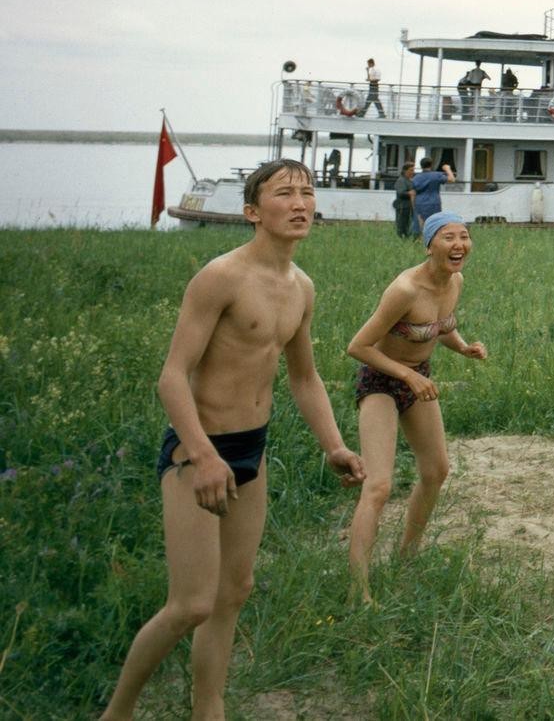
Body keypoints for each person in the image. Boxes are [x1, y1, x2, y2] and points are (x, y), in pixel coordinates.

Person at [99, 160, 365, 721]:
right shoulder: (220, 276)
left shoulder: (302, 288)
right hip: (197, 453)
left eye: (308, 192)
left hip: (252, 450)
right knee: (190, 603)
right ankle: (116, 713)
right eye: (284, 193)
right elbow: (171, 377)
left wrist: (334, 445)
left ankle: (208, 709)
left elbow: (303, 377)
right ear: (252, 213)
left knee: (233, 593)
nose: (300, 203)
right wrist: (203, 455)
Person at [345, 211, 489, 599]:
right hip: (381, 382)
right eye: (447, 237)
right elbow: (358, 346)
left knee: (437, 470)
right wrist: (407, 375)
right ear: (429, 245)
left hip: (418, 380)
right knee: (378, 486)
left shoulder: (455, 280)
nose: (458, 244)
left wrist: (462, 347)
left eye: (464, 236)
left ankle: (406, 556)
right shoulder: (405, 289)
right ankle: (358, 591)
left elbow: (440, 325)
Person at [410, 161, 453, 232]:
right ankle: (432, 238)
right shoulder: (436, 175)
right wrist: (447, 169)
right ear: (431, 165)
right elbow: (452, 179)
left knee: (420, 221)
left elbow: (413, 193)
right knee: (434, 222)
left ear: (421, 166)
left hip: (420, 202)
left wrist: (413, 205)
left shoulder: (416, 177)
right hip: (434, 202)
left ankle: (421, 239)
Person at [391, 160, 418, 238]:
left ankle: (407, 238)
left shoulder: (410, 180)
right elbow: (400, 192)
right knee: (402, 225)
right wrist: (410, 193)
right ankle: (401, 239)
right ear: (405, 170)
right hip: (402, 206)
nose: (413, 172)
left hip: (409, 206)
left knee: (408, 225)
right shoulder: (401, 180)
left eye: (413, 170)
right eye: (411, 170)